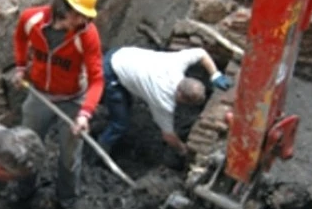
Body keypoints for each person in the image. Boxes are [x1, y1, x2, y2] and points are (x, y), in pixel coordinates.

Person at [11, 0, 104, 209]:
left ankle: (67, 199)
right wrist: (20, 67)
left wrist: (85, 113)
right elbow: (19, 38)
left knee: (69, 154)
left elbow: (97, 80)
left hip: (73, 98)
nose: (83, 19)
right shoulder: (31, 20)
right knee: (27, 145)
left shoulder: (86, 34)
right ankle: (25, 189)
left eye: (86, 15)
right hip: (39, 93)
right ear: (62, 6)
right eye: (78, 13)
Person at [97, 45, 232, 157]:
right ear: (181, 97)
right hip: (111, 72)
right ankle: (99, 151)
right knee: (120, 124)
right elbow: (168, 136)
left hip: (122, 53)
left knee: (125, 103)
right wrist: (182, 149)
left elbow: (201, 53)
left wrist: (215, 75)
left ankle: (106, 101)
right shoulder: (163, 102)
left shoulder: (177, 62)